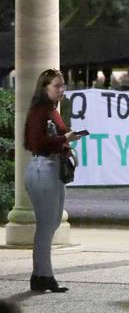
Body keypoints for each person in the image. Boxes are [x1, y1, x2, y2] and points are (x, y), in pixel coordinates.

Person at [23, 68, 82, 293]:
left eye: (62, 85)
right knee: (47, 225)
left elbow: (55, 136)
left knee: (53, 222)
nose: (61, 89)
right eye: (57, 86)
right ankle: (44, 276)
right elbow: (37, 142)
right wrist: (63, 138)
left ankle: (40, 274)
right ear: (44, 88)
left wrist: (66, 138)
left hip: (53, 167)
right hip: (43, 168)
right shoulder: (40, 111)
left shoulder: (51, 110)